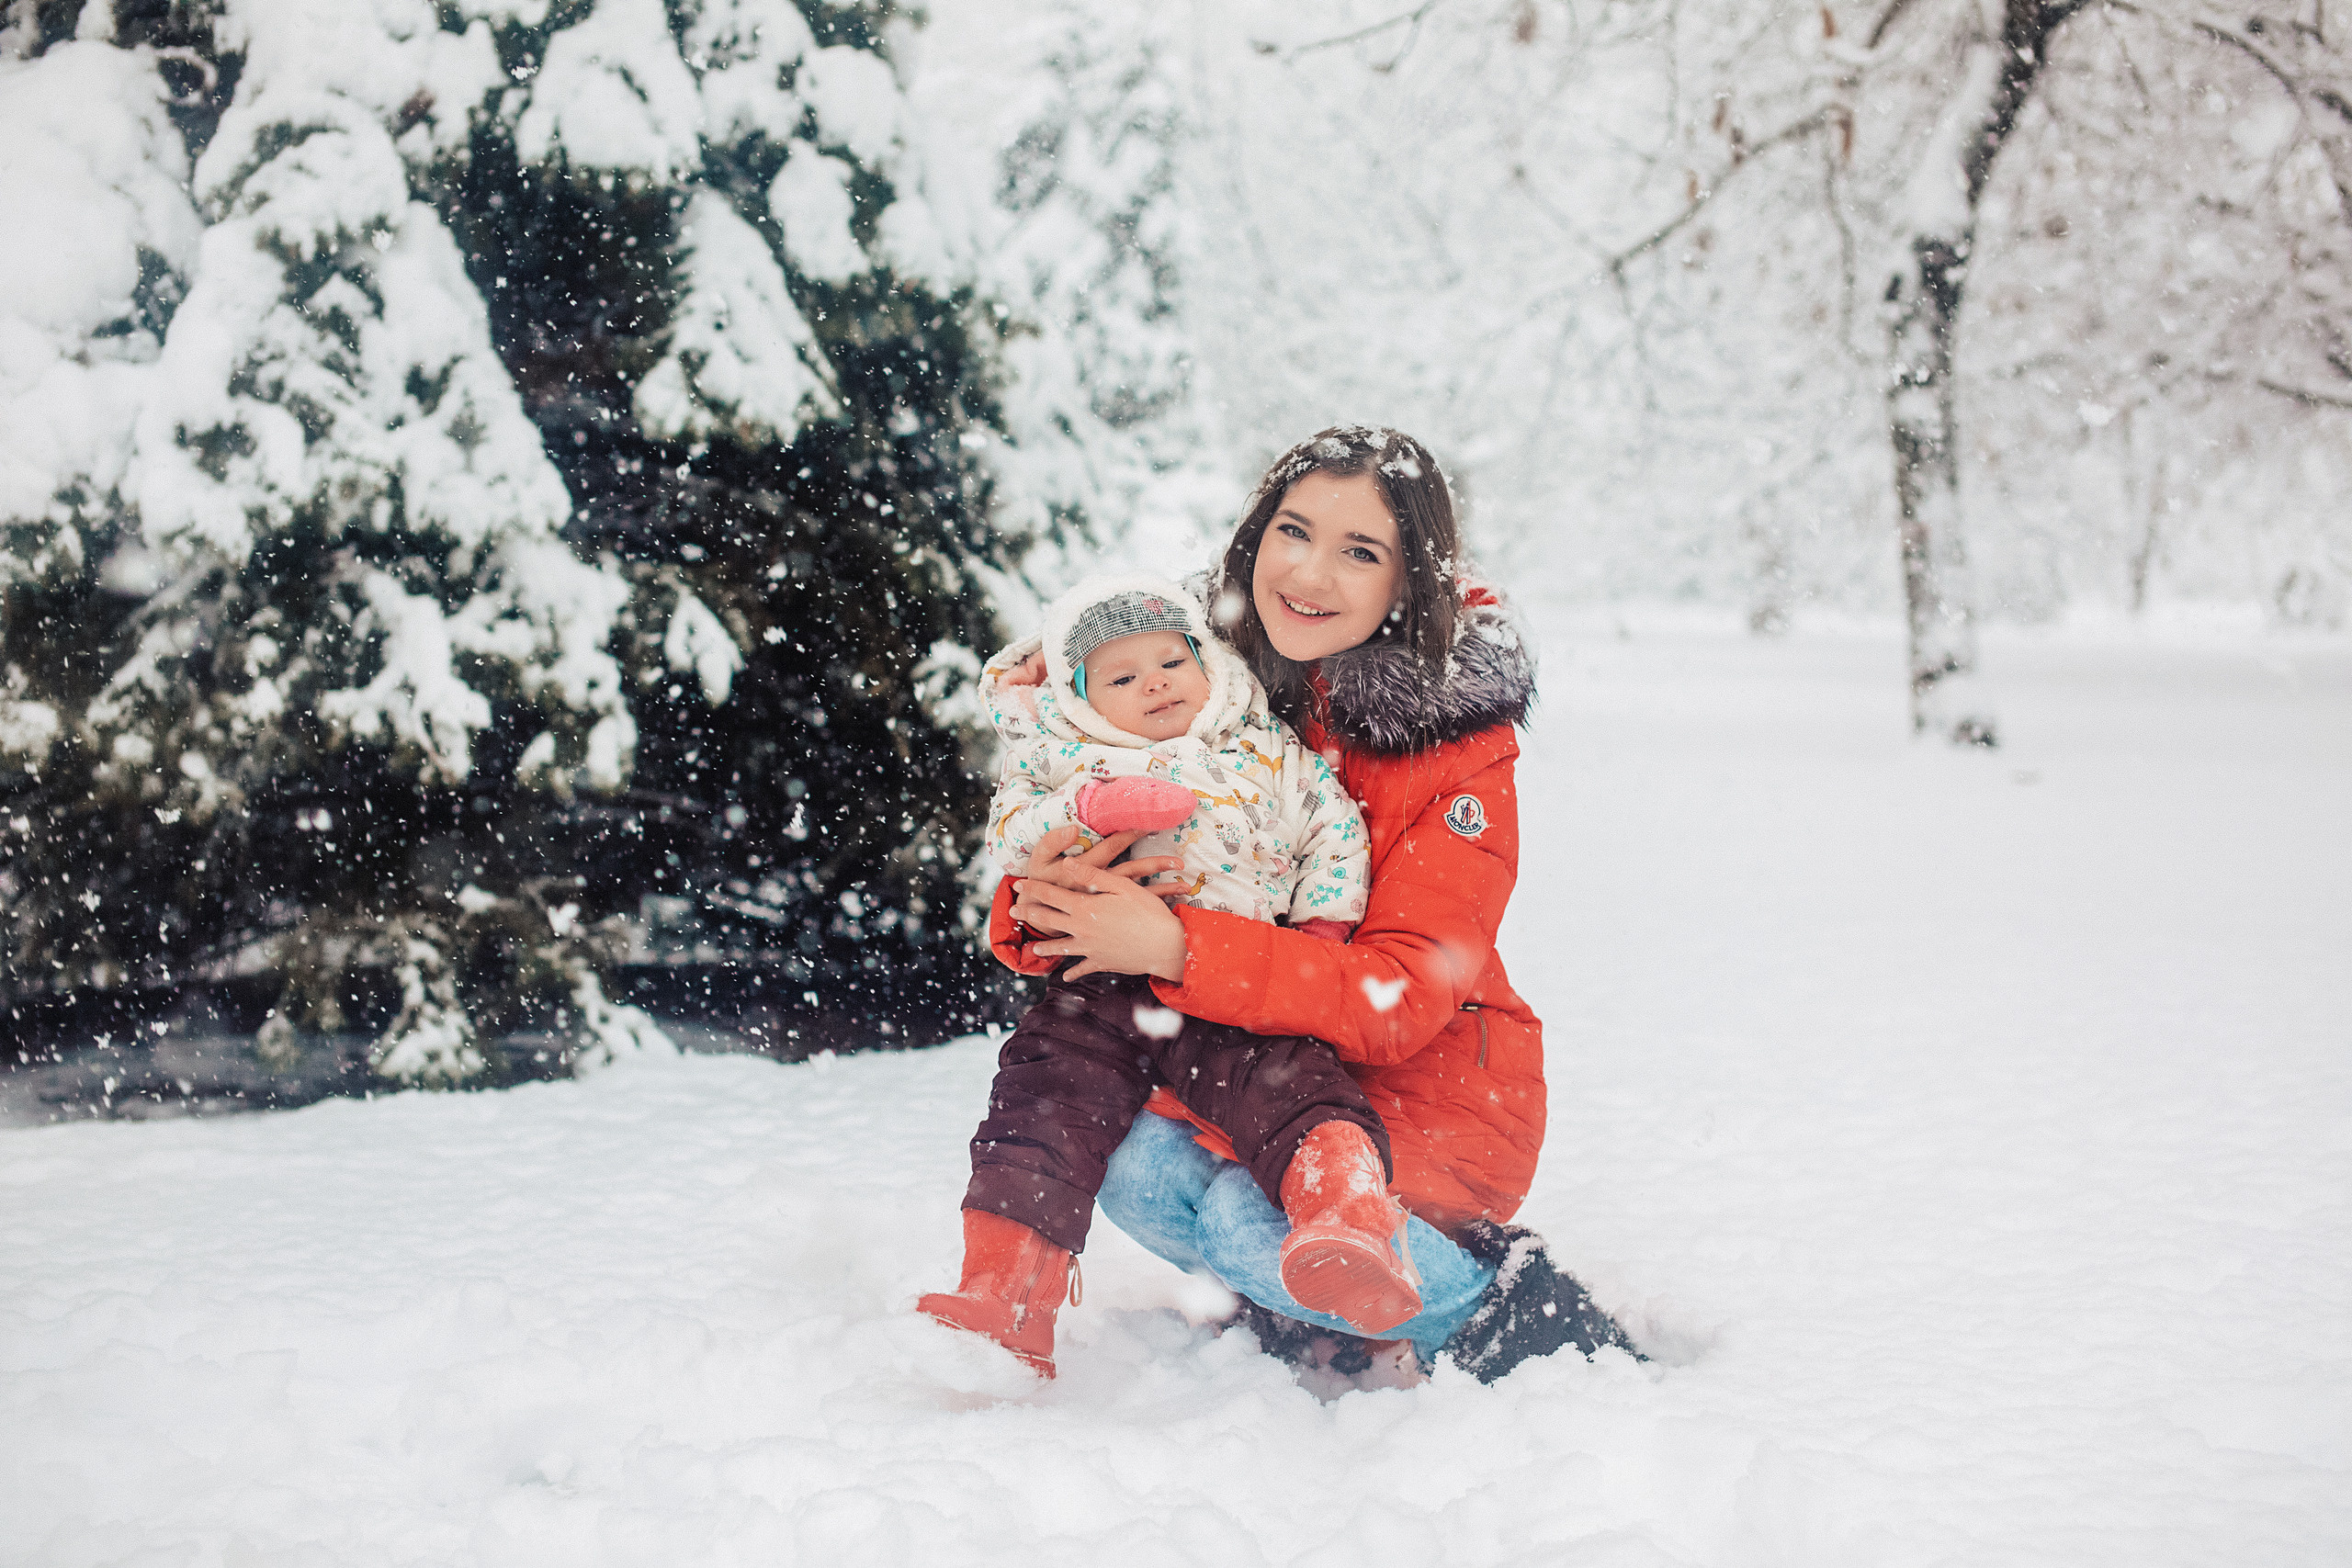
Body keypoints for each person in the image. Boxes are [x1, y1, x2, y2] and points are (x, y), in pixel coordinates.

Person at [989, 426, 1636, 1383]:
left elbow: (1399, 994)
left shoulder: (1457, 747)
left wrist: (1174, 945)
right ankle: (1315, 1308)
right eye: (1293, 531)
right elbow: (1070, 829)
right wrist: (1048, 897)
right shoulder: (1196, 680)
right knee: (1123, 1158)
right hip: (1258, 1063)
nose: (1309, 573)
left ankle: (1500, 1311)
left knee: (1248, 1226)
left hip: (1427, 1081)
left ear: (1408, 581)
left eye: (1359, 551)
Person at [920, 575, 1424, 1377]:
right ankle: (1005, 1288)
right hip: (1099, 980)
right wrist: (1092, 809)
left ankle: (1350, 1223)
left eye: (1171, 661)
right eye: (1122, 677)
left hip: (1234, 971)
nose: (1154, 683)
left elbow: (1332, 826)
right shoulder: (1060, 754)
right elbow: (1013, 832)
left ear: (1207, 664)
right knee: (1042, 1101)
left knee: (1295, 1089)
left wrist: (1322, 921)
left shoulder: (1259, 745)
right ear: (1080, 700)